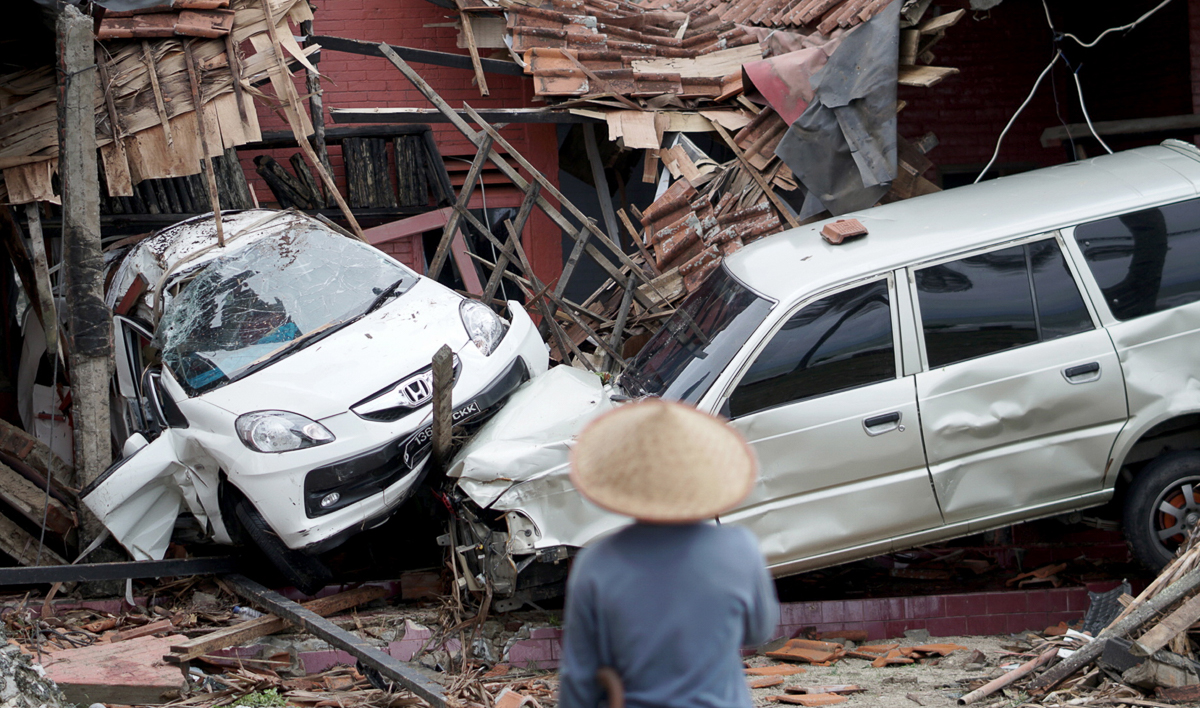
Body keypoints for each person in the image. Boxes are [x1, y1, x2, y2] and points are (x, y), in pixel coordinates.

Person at [557, 398, 780, 708]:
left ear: (625, 482)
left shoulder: (596, 565)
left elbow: (579, 680)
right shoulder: (739, 549)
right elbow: (759, 630)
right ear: (703, 477)